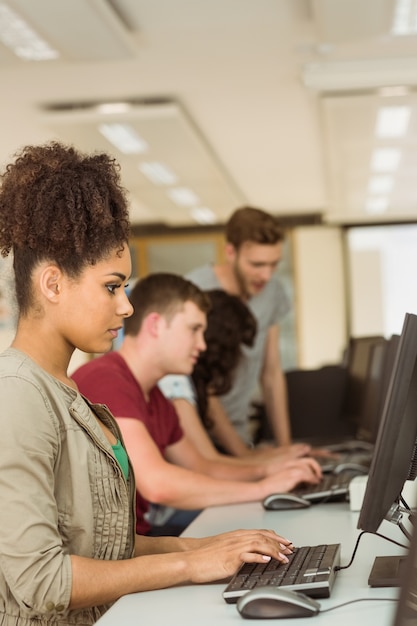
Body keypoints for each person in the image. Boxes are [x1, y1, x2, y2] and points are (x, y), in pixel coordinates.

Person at [0, 142, 294, 626]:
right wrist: (188, 563)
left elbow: (100, 545)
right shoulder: (17, 394)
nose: (127, 307)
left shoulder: (69, 391)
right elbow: (44, 580)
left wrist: (207, 546)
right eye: (112, 287)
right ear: (52, 285)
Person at [72, 273, 322, 536]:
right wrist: (262, 489)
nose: (202, 345)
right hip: (113, 552)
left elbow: (203, 467)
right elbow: (157, 484)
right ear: (155, 325)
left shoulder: (155, 397)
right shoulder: (106, 380)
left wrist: (268, 471)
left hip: (138, 538)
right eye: (194, 329)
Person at [159, 289, 310, 465]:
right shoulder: (174, 383)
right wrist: (272, 466)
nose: (200, 344)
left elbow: (240, 454)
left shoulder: (200, 385)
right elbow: (209, 464)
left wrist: (280, 456)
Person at [186, 206, 293, 454]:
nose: (266, 275)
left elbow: (272, 372)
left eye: (273, 264)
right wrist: (244, 456)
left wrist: (285, 448)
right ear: (230, 252)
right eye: (257, 264)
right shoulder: (195, 290)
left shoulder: (273, 292)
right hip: (199, 439)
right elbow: (202, 381)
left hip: (240, 433)